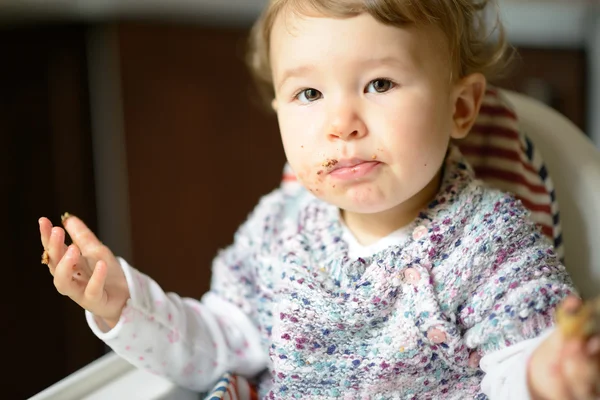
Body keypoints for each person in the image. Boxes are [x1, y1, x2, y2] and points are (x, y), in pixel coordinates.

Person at [39, 0, 600, 398]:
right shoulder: (280, 227)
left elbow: (519, 359)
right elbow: (217, 346)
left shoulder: (491, 240)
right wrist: (122, 303)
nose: (340, 124)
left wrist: (547, 374)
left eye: (379, 84)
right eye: (309, 93)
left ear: (461, 108)